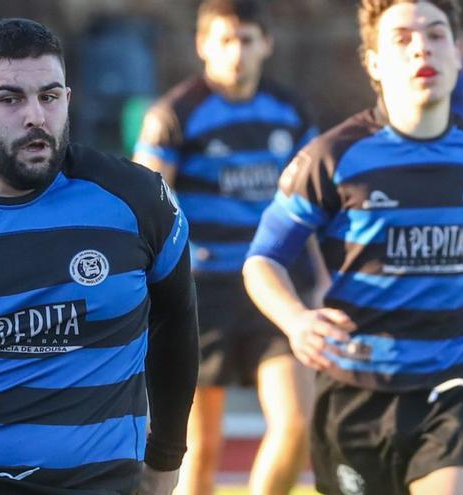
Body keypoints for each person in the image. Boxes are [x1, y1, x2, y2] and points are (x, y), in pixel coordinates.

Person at [243, 1, 463, 494]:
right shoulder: (332, 156)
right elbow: (263, 261)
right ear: (374, 62)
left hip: (459, 375)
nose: (422, 45)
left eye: (437, 33)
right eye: (402, 37)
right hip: (356, 386)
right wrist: (295, 321)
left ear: (458, 52)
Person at [0, 18, 197, 494]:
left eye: (49, 96)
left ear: (67, 101)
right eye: (9, 99)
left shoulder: (139, 200)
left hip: (102, 483)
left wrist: (166, 457)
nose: (35, 115)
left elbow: (176, 323)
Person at [132, 1, 319, 494]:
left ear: (266, 44)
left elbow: (315, 205)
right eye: (225, 40)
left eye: (247, 40)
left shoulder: (292, 111)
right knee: (200, 450)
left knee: (297, 420)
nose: (237, 53)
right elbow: (142, 208)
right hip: (202, 295)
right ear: (203, 45)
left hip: (277, 289)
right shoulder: (174, 114)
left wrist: (321, 280)